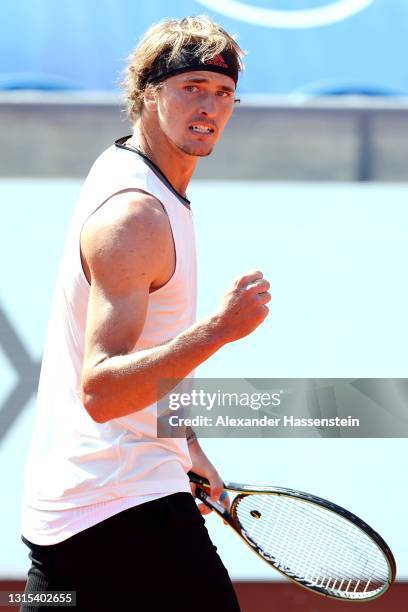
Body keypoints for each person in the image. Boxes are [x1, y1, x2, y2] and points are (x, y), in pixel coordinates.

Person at [21, 15, 271, 612]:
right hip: (124, 510)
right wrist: (221, 330)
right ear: (150, 93)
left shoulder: (138, 176)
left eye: (223, 93)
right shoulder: (137, 215)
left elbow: (151, 345)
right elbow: (103, 389)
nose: (210, 106)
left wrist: (186, 444)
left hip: (70, 515)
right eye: (192, 87)